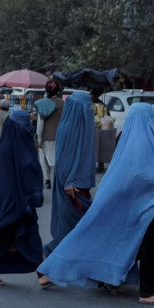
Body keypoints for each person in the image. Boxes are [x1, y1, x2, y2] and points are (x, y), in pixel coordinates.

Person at [38, 103, 154, 306]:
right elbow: (142, 176)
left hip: (145, 204)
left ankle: (108, 278)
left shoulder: (134, 140)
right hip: (149, 204)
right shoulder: (142, 143)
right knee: (148, 247)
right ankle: (146, 292)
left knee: (133, 245)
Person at [0, 110, 44, 285]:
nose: (27, 129)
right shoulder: (13, 150)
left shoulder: (14, 146)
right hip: (10, 204)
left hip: (22, 203)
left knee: (30, 236)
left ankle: (42, 272)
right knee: (2, 236)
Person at [42, 91, 96, 258]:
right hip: (73, 187)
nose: (90, 110)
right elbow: (66, 160)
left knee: (78, 229)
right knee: (77, 229)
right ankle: (48, 260)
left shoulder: (76, 126)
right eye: (87, 107)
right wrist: (70, 180)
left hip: (78, 185)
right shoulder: (70, 129)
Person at [34, 79, 65, 189]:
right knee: (56, 159)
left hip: (47, 136)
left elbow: (40, 122)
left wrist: (38, 138)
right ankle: (57, 180)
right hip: (61, 135)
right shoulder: (63, 103)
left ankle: (48, 180)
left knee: (45, 159)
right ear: (58, 91)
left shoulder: (43, 103)